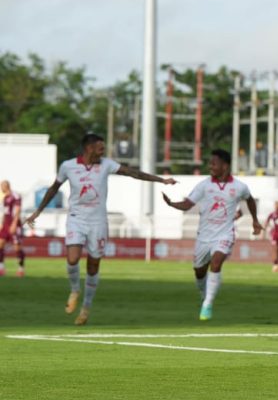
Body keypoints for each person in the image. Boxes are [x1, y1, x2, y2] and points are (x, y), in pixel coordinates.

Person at [24, 133, 177, 325]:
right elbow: (54, 188)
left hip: (98, 223)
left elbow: (132, 172)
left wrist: (161, 180)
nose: (103, 151)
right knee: (72, 259)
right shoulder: (68, 166)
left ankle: (86, 308)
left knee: (93, 265)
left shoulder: (106, 165)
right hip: (76, 219)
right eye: (100, 147)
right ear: (88, 148)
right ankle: (74, 290)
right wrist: (38, 212)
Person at [162, 149, 262, 321]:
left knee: (216, 263)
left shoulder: (239, 187)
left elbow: (250, 199)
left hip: (225, 235)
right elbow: (187, 204)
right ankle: (204, 294)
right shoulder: (204, 185)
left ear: (225, 165)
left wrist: (255, 220)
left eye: (213, 163)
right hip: (204, 236)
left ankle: (208, 304)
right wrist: (171, 204)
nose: (210, 166)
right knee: (199, 272)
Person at [0, 180, 25, 277]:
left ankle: (21, 269)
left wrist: (14, 223)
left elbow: (18, 210)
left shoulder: (16, 196)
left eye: (2, 186)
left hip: (14, 224)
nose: (1, 188)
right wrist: (2, 224)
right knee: (0, 244)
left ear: (6, 186)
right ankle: (1, 268)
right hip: (5, 224)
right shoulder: (5, 197)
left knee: (17, 247)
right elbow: (5, 212)